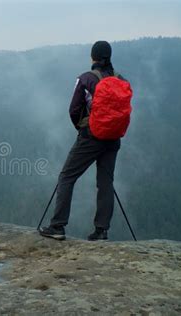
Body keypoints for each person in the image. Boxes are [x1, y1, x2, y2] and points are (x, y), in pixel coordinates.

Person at [39, 41, 126, 241]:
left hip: (91, 137)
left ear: (93, 57)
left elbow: (74, 110)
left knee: (67, 176)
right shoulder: (121, 79)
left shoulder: (86, 79)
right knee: (105, 183)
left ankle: (57, 226)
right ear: (109, 57)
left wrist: (83, 128)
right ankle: (101, 231)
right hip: (113, 138)